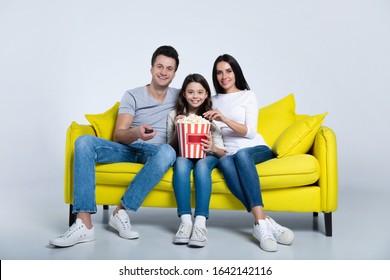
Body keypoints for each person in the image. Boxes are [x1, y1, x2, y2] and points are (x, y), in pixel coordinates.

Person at [50, 45, 180, 247]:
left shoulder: (180, 97)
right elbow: (118, 135)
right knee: (83, 142)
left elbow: (204, 100)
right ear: (151, 68)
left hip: (156, 153)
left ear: (174, 73)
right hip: (128, 149)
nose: (163, 72)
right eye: (160, 66)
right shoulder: (133, 95)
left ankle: (120, 212)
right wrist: (137, 132)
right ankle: (83, 224)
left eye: (169, 68)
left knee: (167, 152)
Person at [203, 54, 294, 252]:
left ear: (236, 72)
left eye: (228, 71)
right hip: (230, 154)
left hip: (255, 149)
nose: (224, 76)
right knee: (225, 162)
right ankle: (263, 221)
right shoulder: (212, 100)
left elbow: (250, 131)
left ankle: (260, 224)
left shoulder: (247, 95)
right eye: (219, 72)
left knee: (242, 155)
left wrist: (224, 119)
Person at [167, 73, 226, 247]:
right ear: (184, 94)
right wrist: (179, 129)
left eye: (200, 92)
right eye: (191, 92)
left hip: (208, 156)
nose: (195, 96)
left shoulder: (211, 117)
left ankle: (200, 224)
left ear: (206, 94)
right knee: (180, 163)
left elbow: (222, 152)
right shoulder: (173, 115)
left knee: (201, 166)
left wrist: (212, 147)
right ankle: (186, 222)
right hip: (183, 155)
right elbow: (169, 149)